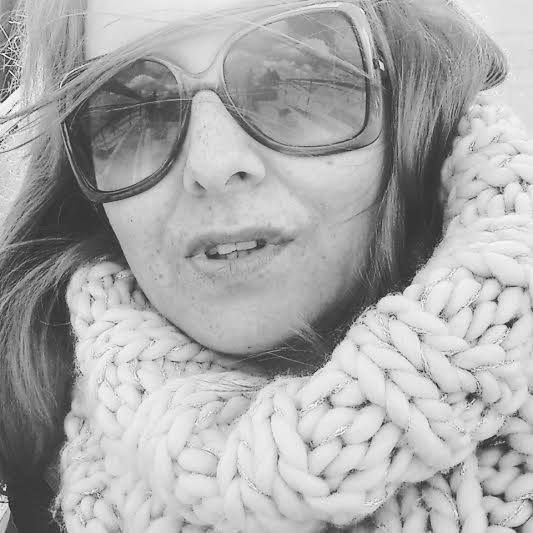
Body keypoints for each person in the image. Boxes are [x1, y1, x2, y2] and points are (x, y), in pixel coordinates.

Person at [1, 0, 532, 531]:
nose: (212, 164)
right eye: (134, 110)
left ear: (410, 100)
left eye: (294, 79)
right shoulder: (28, 461)